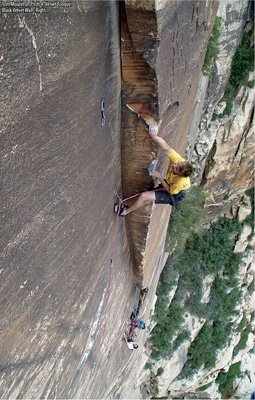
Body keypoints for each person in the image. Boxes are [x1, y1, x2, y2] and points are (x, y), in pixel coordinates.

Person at [117, 124, 193, 216]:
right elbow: (166, 147)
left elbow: (170, 191)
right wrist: (154, 137)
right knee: (145, 195)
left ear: (179, 174)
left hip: (175, 194)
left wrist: (160, 178)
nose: (174, 165)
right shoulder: (178, 160)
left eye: (176, 168)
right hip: (171, 184)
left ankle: (125, 212)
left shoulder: (180, 182)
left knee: (144, 196)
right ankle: (128, 206)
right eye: (177, 164)